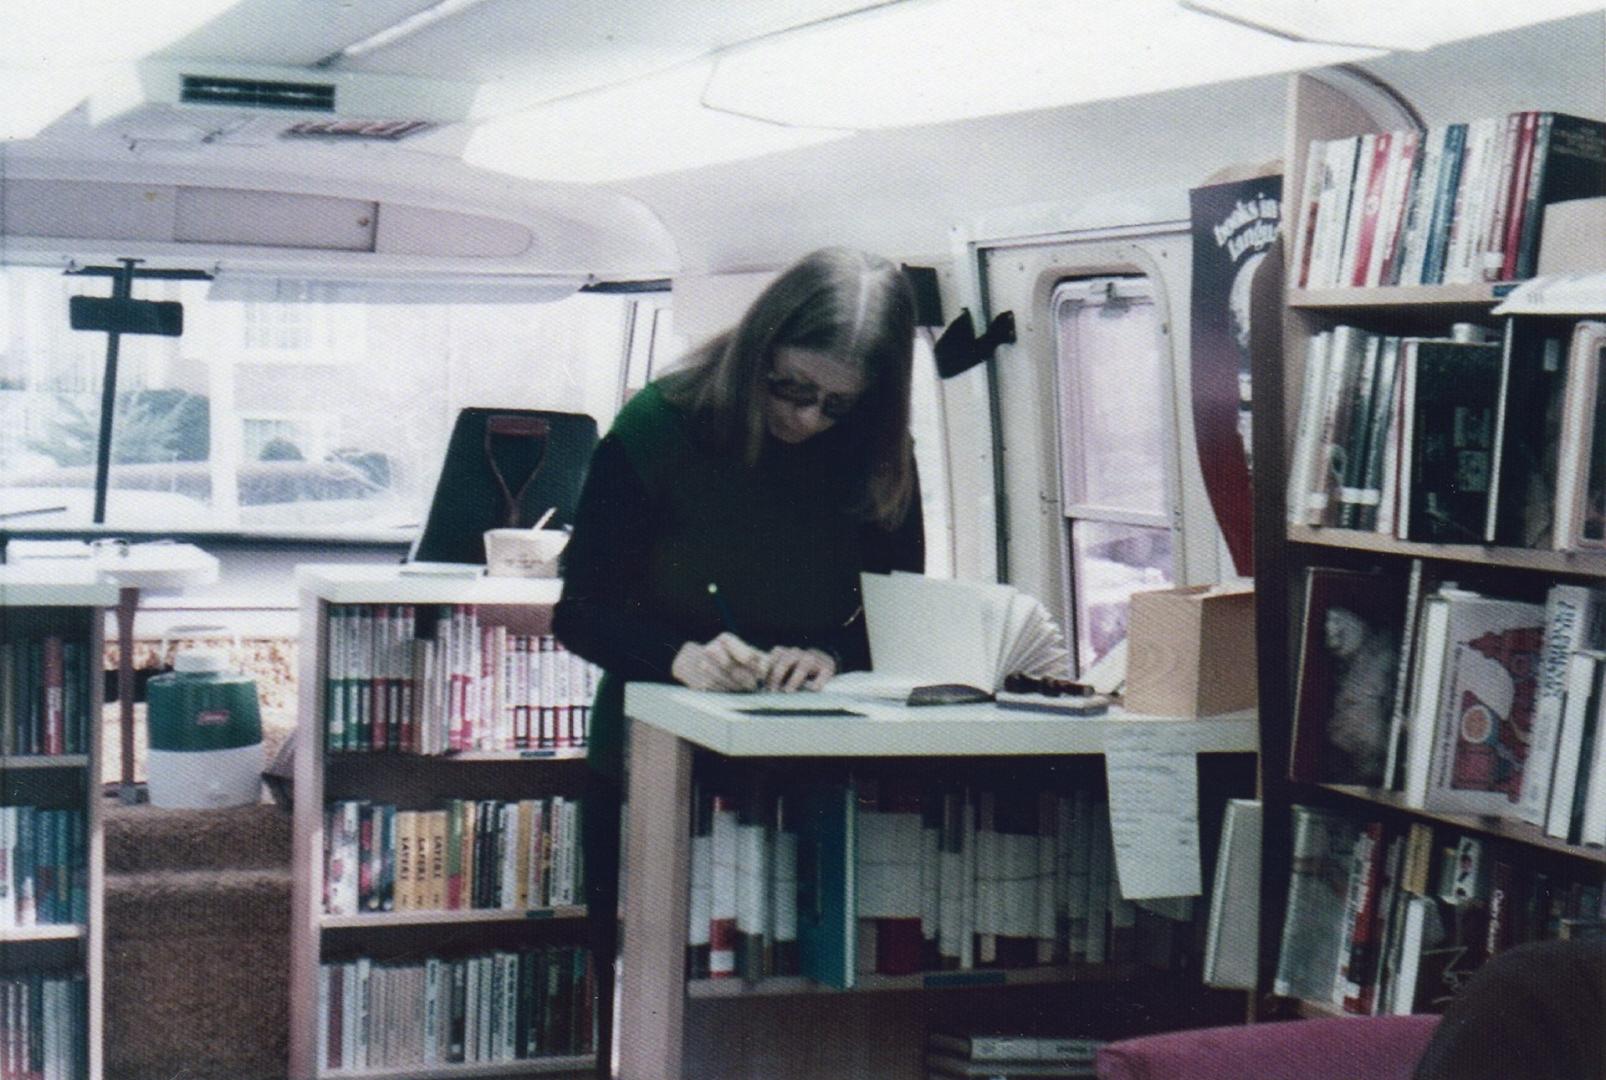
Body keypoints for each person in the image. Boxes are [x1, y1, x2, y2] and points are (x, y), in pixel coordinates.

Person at [552, 246, 926, 1075]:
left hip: (817, 775)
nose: (807, 419)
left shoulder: (874, 451)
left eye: (836, 403)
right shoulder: (660, 425)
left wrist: (831, 651)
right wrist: (677, 656)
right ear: (757, 350)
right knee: (652, 1015)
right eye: (791, 388)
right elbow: (579, 612)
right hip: (657, 771)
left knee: (805, 1026)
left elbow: (904, 619)